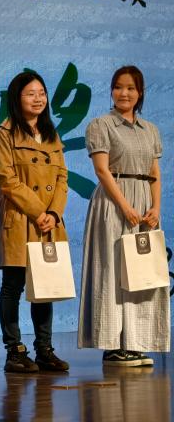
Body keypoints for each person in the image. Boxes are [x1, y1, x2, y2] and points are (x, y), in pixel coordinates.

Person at [78, 66, 169, 365]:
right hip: (114, 202)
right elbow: (102, 170)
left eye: (130, 88)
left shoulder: (150, 130)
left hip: (144, 204)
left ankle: (136, 341)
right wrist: (125, 207)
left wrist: (155, 208)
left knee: (142, 272)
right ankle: (113, 344)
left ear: (140, 92)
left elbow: (154, 173)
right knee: (113, 269)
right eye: (118, 87)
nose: (124, 93)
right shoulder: (101, 125)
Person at [0, 72, 70, 373]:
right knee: (13, 285)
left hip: (48, 221)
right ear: (17, 98)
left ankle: (44, 350)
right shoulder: (5, 133)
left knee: (45, 286)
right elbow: (7, 179)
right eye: (30, 93)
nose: (38, 99)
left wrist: (54, 213)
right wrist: (39, 211)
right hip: (20, 217)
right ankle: (14, 350)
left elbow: (62, 176)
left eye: (42, 93)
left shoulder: (50, 132)